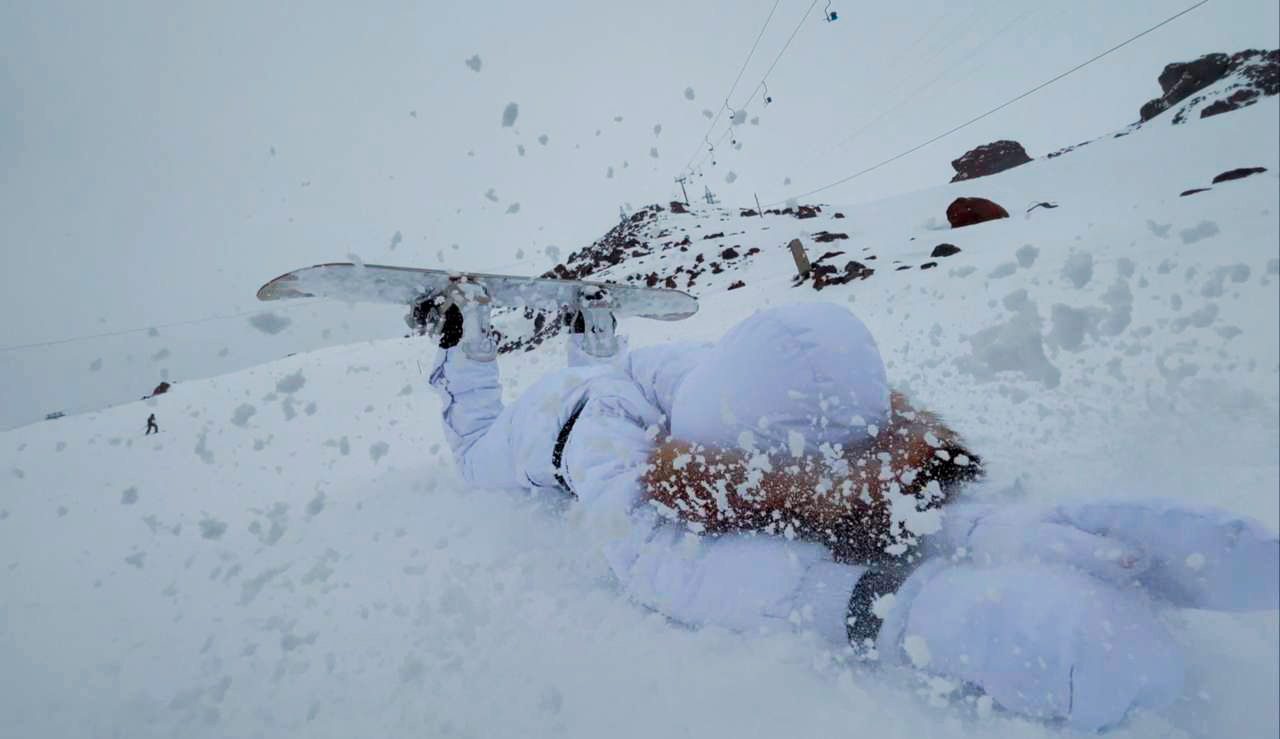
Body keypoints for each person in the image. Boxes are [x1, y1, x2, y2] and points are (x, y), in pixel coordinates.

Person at [422, 284, 1279, 732]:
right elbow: (656, 558)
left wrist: (981, 520)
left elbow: (857, 470)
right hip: (547, 429)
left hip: (628, 379)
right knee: (475, 452)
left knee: (594, 382)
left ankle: (590, 329)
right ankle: (472, 341)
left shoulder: (720, 379)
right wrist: (880, 607)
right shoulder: (616, 443)